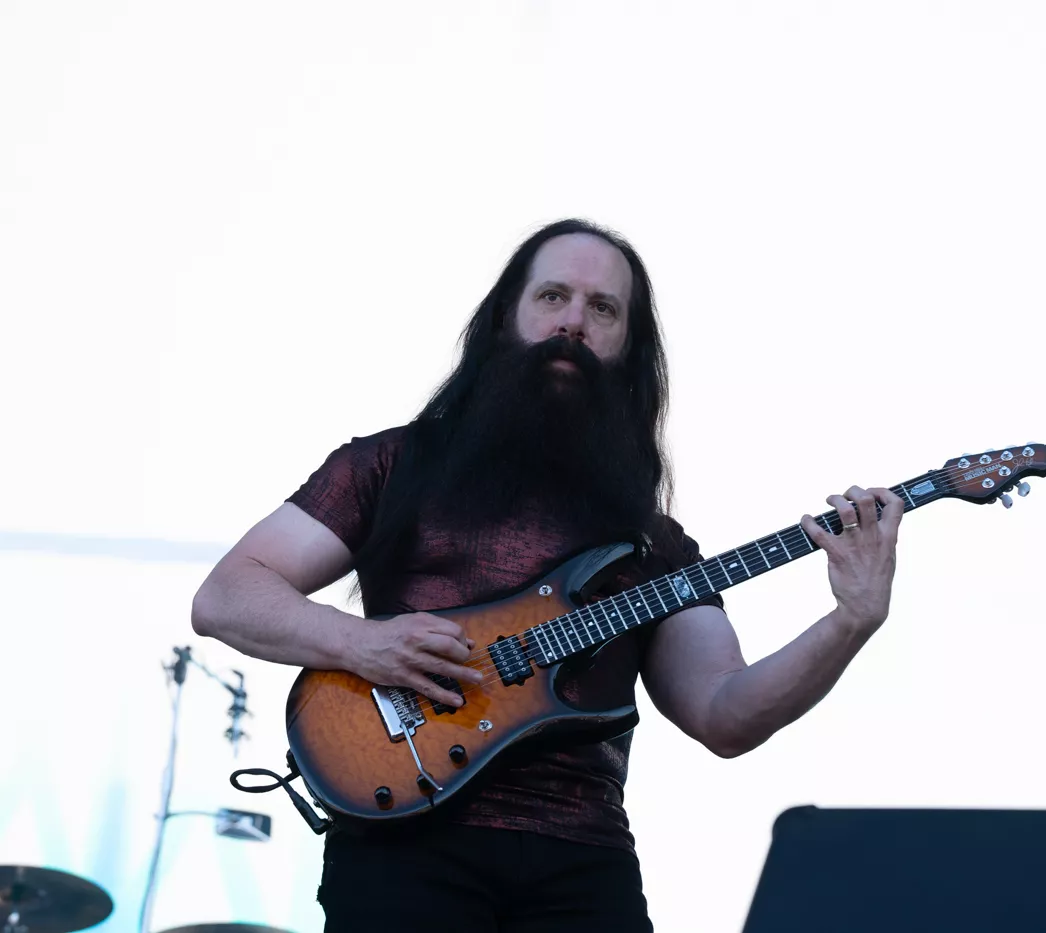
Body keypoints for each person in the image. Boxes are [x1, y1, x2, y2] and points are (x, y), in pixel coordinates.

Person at [191, 218, 903, 932]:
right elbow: (228, 594)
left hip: (584, 863)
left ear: (628, 347)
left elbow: (724, 713)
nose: (574, 322)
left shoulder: (651, 543)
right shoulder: (391, 465)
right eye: (553, 296)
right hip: (405, 841)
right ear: (508, 314)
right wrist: (362, 643)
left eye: (603, 308)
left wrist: (851, 621)